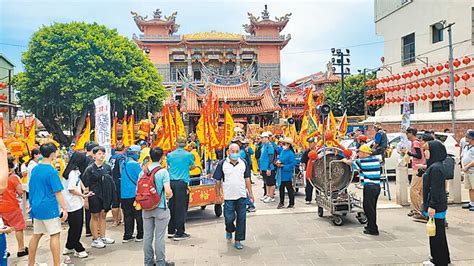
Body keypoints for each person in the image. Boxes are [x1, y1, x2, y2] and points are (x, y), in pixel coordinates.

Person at [28, 143, 68, 266]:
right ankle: (56, 264)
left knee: (36, 235)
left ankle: (31, 263)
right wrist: (64, 208)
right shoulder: (51, 171)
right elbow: (58, 192)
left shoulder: (35, 168)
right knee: (55, 235)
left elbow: (32, 188)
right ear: (52, 154)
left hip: (36, 206)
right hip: (49, 207)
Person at [214, 143, 254, 250]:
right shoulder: (222, 164)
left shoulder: (243, 163)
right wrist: (218, 194)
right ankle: (229, 229)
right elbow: (218, 180)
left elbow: (247, 179)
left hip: (241, 195)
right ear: (228, 152)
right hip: (228, 196)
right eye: (233, 151)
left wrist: (250, 193)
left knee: (242, 218)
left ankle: (238, 240)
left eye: (237, 151)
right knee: (229, 218)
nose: (235, 154)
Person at [141, 147, 174, 266]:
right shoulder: (163, 172)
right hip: (160, 208)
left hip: (146, 208)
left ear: (150, 156)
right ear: (162, 157)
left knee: (147, 236)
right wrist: (170, 195)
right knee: (159, 237)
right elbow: (168, 192)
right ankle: (160, 262)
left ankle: (148, 262)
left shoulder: (143, 171)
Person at [422, 140, 451, 265]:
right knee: (437, 233)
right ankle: (441, 258)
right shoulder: (435, 166)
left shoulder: (436, 168)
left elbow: (436, 189)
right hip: (437, 204)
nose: (425, 153)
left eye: (426, 150)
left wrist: (432, 205)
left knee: (436, 234)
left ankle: (439, 260)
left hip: (436, 206)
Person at [343, 144, 381, 235]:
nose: (358, 154)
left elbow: (351, 162)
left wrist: (344, 160)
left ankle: (373, 229)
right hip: (377, 187)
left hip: (369, 187)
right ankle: (371, 225)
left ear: (364, 153)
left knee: (368, 208)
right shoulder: (376, 160)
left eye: (359, 152)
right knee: (372, 208)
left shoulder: (362, 162)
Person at [82, 146, 116, 249]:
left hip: (105, 195)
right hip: (94, 196)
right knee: (94, 216)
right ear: (94, 155)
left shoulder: (107, 167)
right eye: (99, 154)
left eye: (103, 153)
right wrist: (86, 199)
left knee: (103, 215)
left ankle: (103, 236)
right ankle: (95, 239)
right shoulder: (90, 169)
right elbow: (85, 184)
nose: (101, 156)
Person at [61, 151, 92, 258]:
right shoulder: (72, 173)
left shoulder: (74, 170)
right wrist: (83, 195)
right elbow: (71, 189)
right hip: (73, 204)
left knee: (73, 227)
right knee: (76, 228)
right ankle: (78, 248)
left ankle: (69, 246)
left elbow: (79, 181)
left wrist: (84, 189)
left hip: (75, 203)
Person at [166, 136, 195, 241]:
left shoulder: (170, 155)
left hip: (171, 183)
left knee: (172, 206)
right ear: (185, 144)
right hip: (182, 183)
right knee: (181, 208)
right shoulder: (189, 155)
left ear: (176, 143)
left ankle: (171, 230)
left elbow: (168, 166)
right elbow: (193, 166)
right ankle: (180, 232)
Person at [0, 157, 28, 257]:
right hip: (12, 206)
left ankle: (3, 250)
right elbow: (20, 191)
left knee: (2, 229)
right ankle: (21, 249)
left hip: (1, 207)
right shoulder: (13, 177)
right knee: (18, 227)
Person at [120, 145, 144, 242]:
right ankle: (140, 235)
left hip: (124, 193)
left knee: (127, 215)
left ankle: (127, 235)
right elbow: (141, 177)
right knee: (138, 215)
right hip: (134, 193)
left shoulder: (123, 163)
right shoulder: (134, 164)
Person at [403, 127, 425, 218]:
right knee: (419, 190)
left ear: (411, 133)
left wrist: (409, 154)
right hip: (418, 167)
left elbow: (419, 155)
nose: (406, 136)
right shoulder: (415, 142)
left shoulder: (415, 142)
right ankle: (417, 208)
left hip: (418, 168)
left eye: (407, 133)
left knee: (414, 189)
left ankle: (417, 210)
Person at [275, 137, 297, 209]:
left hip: (287, 174)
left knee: (289, 188)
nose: (283, 145)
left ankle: (291, 203)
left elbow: (293, 164)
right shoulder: (283, 151)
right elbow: (280, 158)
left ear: (288, 145)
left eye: (284, 143)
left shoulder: (291, 154)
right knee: (281, 189)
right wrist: (278, 162)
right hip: (281, 173)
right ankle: (281, 202)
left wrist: (283, 166)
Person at [109, 143, 126, 226]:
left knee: (114, 202)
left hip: (112, 181)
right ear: (124, 149)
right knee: (122, 201)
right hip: (119, 181)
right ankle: (123, 220)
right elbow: (121, 170)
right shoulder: (122, 158)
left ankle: (115, 221)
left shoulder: (111, 158)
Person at [84, 141, 98, 237]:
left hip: (83, 185)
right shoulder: (92, 161)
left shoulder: (83, 158)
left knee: (87, 209)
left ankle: (89, 230)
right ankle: (93, 230)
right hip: (91, 186)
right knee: (93, 210)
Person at [259, 132, 276, 203]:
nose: (262, 139)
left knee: (270, 182)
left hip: (268, 167)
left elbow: (271, 157)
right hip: (263, 167)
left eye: (263, 138)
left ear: (267, 138)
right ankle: (267, 194)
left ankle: (271, 196)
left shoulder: (270, 146)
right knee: (266, 182)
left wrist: (269, 168)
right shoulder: (263, 145)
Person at [461, 129, 474, 211]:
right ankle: (471, 202)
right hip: (467, 171)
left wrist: (467, 166)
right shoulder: (466, 146)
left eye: (467, 136)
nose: (466, 138)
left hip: (472, 170)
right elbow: (463, 156)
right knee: (470, 187)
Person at [301, 137, 316, 204]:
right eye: (309, 143)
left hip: (318, 170)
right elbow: (303, 161)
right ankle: (308, 199)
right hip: (309, 170)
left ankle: (318, 198)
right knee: (309, 186)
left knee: (319, 185)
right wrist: (303, 169)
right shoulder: (306, 152)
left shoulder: (319, 150)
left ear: (315, 143)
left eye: (311, 142)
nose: (310, 144)